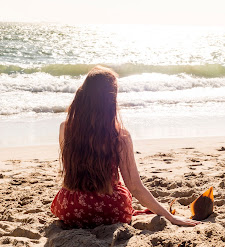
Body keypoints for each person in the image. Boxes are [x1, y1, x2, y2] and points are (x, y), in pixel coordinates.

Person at [51, 66, 200, 228]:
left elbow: (69, 173)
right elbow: (135, 187)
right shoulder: (119, 135)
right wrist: (170, 217)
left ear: (83, 94)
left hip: (71, 209)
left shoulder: (65, 129)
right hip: (112, 210)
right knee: (125, 199)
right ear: (110, 100)